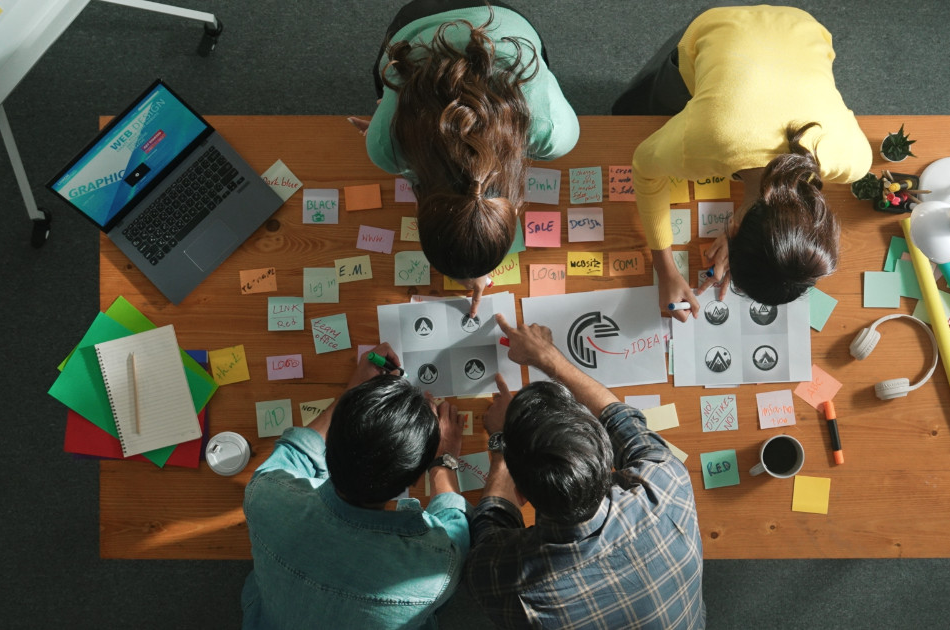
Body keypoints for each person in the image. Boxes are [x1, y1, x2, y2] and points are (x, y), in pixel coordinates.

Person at [615, 5, 872, 318]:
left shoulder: (853, 161)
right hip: (719, 24)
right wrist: (665, 269)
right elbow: (643, 167)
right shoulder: (700, 144)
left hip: (805, 27)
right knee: (644, 103)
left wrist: (755, 231)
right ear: (733, 226)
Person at [464, 314, 705, 629]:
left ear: (520, 493)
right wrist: (549, 358)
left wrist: (500, 445)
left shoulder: (503, 580)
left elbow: (489, 529)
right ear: (607, 457)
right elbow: (620, 418)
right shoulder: (667, 483)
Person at [350, 1, 579, 317]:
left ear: (514, 207)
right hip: (425, 25)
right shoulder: (385, 149)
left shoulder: (553, 135)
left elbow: (545, 82)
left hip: (502, 27)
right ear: (421, 210)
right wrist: (388, 133)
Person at [241, 343, 468, 629]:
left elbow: (295, 451)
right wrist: (444, 460)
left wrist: (352, 395)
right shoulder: (431, 567)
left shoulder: (265, 495)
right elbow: (456, 533)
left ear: (331, 441)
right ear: (412, 480)